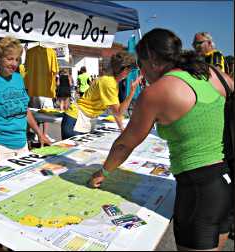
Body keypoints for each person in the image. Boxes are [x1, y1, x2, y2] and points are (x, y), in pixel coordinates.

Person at [89, 28, 234, 251]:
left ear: (154, 60)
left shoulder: (158, 91)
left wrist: (103, 173)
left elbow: (125, 143)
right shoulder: (212, 73)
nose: (142, 72)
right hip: (224, 182)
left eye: (141, 65)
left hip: (197, 191)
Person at [0, 36, 51, 170]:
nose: (14, 64)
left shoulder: (18, 78)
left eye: (17, 59)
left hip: (22, 143)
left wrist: (39, 133)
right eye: (10, 59)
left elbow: (24, 110)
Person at [61, 51, 142, 140]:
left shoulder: (111, 81)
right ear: (125, 69)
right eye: (129, 70)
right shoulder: (109, 82)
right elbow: (118, 112)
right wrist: (132, 92)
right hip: (76, 119)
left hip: (83, 119)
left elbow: (114, 110)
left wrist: (121, 128)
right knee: (71, 152)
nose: (129, 73)